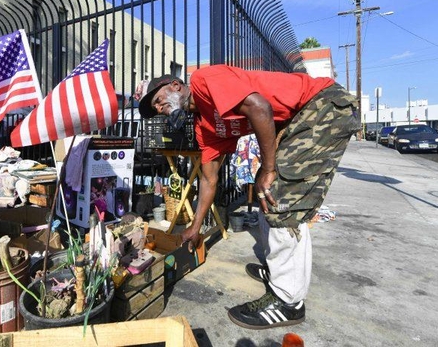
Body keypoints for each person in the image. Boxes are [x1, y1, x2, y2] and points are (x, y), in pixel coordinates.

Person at [137, 64, 360, 329]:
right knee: (266, 191)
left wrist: (268, 168)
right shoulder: (204, 128)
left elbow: (259, 107)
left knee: (282, 200)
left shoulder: (203, 80)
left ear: (175, 85)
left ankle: (288, 302)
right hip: (298, 119)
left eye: (159, 100)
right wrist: (195, 228)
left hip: (322, 104)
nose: (161, 108)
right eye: (157, 110)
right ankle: (281, 272)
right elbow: (209, 179)